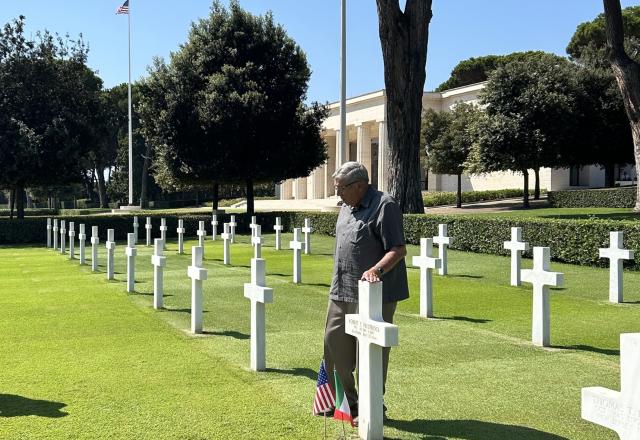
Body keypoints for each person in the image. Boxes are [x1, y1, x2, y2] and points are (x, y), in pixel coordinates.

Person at [323, 161, 409, 422]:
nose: (337, 193)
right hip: (341, 289)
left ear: (359, 185)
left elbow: (397, 249)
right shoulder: (346, 207)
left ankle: (372, 406)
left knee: (369, 352)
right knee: (333, 345)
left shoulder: (385, 205)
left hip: (373, 294)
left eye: (341, 188)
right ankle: (347, 403)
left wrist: (376, 271)